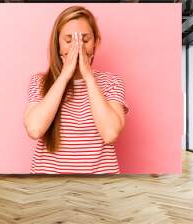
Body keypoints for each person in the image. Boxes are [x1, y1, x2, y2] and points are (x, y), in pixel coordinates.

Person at [23, 6, 129, 174]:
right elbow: (35, 129)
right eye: (69, 40)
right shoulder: (40, 81)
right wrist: (65, 76)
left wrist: (88, 77)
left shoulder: (111, 82)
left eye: (84, 40)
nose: (77, 47)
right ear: (57, 45)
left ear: (95, 44)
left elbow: (110, 133)